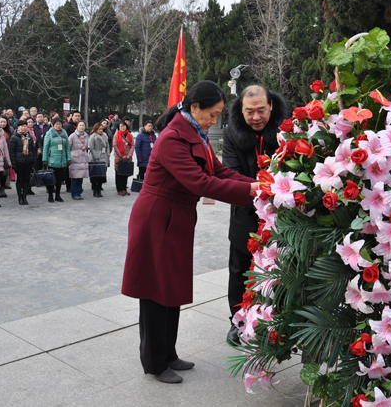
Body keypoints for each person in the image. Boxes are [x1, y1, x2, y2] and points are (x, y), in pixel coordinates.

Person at [121, 80, 258, 384]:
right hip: (157, 218)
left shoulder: (195, 132)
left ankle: (168, 353)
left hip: (177, 218)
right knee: (155, 291)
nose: (214, 120)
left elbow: (218, 171)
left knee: (171, 287)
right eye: (213, 114)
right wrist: (250, 190)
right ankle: (154, 363)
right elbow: (200, 182)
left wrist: (255, 184)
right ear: (195, 107)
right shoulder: (173, 137)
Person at [222, 85, 290, 345]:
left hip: (282, 216)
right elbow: (231, 174)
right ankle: (237, 321)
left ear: (271, 106)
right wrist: (261, 190)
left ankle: (276, 321)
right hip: (245, 214)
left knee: (280, 269)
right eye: (250, 111)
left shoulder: (287, 131)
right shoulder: (231, 136)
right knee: (239, 270)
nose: (256, 117)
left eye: (261, 110)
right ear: (241, 110)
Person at [42, 117, 71, 203]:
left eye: (60, 124)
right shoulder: (49, 134)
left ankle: (58, 195)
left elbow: (67, 148)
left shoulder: (64, 133)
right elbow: (45, 148)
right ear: (52, 125)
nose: (58, 126)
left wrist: (69, 158)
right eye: (56, 124)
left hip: (62, 160)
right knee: (51, 179)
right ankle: (50, 195)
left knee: (59, 180)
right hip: (52, 160)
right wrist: (45, 159)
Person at [9, 120, 36, 205]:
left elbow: (32, 149)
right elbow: (12, 152)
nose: (23, 127)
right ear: (18, 127)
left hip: (28, 161)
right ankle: (20, 197)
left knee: (26, 180)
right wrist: (13, 163)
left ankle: (24, 197)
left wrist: (33, 159)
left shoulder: (29, 136)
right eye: (22, 126)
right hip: (19, 162)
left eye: (25, 126)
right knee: (19, 180)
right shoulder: (14, 137)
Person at [68, 121, 89, 200]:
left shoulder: (86, 136)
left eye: (83, 125)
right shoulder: (72, 136)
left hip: (83, 158)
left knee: (81, 177)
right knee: (75, 177)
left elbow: (86, 146)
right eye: (80, 125)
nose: (82, 127)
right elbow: (68, 146)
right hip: (75, 159)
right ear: (77, 126)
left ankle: (79, 193)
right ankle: (74, 193)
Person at [88, 123, 110, 198]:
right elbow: (91, 147)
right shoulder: (93, 136)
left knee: (101, 174)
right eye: (99, 129)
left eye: (101, 129)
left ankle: (99, 189)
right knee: (95, 175)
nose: (101, 130)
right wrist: (95, 156)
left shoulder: (105, 136)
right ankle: (95, 189)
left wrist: (107, 155)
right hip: (95, 157)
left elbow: (107, 147)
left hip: (103, 156)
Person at [113, 121, 133, 196]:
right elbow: (115, 146)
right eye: (121, 126)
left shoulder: (130, 135)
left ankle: (124, 189)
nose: (123, 127)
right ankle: (119, 189)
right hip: (119, 158)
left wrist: (129, 155)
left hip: (128, 158)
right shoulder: (116, 135)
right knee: (119, 174)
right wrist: (121, 155)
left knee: (125, 174)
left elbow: (132, 146)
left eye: (124, 126)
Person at [0, 116, 13, 197]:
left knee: (5, 173)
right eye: (1, 122)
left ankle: (3, 189)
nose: (3, 124)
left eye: (4, 122)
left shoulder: (9, 132)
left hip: (6, 154)